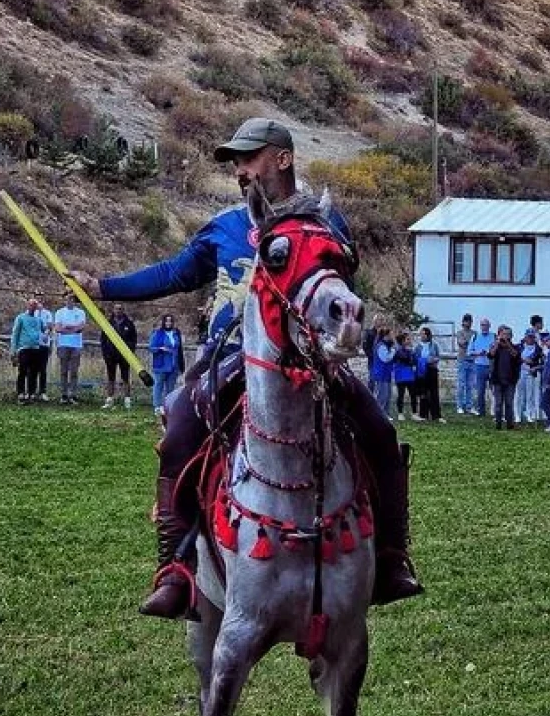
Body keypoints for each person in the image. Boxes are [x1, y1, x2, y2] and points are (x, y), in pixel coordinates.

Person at [81, 116, 421, 615]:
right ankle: (175, 569)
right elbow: (174, 274)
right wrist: (102, 287)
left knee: (380, 432)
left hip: (313, 366)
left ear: (283, 158)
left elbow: (340, 290)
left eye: (248, 158)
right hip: (230, 359)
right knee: (180, 430)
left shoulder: (326, 223)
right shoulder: (225, 226)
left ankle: (390, 557)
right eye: (236, 162)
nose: (240, 170)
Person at [101, 305, 137, 409]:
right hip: (111, 355)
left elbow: (134, 339)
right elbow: (103, 339)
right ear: (113, 310)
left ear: (123, 310)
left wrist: (129, 352)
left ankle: (127, 400)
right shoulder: (108, 323)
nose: (118, 311)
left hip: (124, 355)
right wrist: (105, 354)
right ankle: (109, 399)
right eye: (116, 309)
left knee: (125, 378)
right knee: (110, 377)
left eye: (120, 309)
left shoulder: (129, 324)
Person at [10, 297, 45, 403]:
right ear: (27, 306)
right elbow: (15, 334)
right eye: (31, 305)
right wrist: (13, 350)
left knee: (34, 372)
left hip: (36, 348)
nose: (33, 307)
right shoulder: (21, 318)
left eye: (35, 305)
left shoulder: (38, 319)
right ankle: (20, 393)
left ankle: (31, 393)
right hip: (24, 348)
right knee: (23, 371)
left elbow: (44, 330)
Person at [489, 324, 522, 430]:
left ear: (511, 336)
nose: (505, 336)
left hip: (510, 380)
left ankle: (509, 424)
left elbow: (515, 355)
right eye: (503, 334)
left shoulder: (515, 347)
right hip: (497, 380)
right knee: (498, 404)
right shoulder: (496, 347)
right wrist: (497, 343)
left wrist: (507, 344)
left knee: (509, 403)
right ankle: (498, 424)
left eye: (507, 334)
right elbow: (490, 355)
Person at [148, 313, 182, 414]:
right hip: (161, 364)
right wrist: (160, 349)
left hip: (173, 365)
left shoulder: (176, 333)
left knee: (170, 387)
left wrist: (181, 364)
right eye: (167, 321)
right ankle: (157, 406)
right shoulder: (157, 333)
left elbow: (179, 349)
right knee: (158, 385)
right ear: (163, 322)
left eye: (170, 321)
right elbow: (151, 347)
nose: (169, 323)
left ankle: (168, 406)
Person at [468, 319, 494, 418]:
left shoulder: (494, 336)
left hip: (492, 366)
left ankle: (494, 411)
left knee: (494, 391)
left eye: (486, 325)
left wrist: (490, 353)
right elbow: (469, 352)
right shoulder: (475, 336)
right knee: (480, 391)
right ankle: (481, 411)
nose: (484, 327)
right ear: (480, 326)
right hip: (479, 366)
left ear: (489, 326)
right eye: (482, 325)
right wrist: (478, 353)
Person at [516, 328, 543, 424]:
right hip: (520, 372)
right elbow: (515, 358)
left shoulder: (538, 349)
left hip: (531, 373)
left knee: (530, 395)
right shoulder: (519, 347)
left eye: (532, 337)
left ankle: (529, 415)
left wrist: (535, 367)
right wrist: (523, 360)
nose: (530, 339)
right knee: (519, 395)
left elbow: (542, 363)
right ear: (525, 337)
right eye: (529, 337)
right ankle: (517, 415)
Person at [415, 326, 441, 422]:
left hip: (432, 369)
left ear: (428, 335)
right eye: (421, 334)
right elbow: (416, 358)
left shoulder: (434, 345)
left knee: (434, 392)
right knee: (423, 393)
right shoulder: (418, 347)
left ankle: (436, 415)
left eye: (423, 334)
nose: (422, 336)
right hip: (422, 371)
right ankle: (423, 414)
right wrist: (423, 361)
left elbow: (438, 356)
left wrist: (433, 360)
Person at [369, 326, 396, 415]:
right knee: (382, 396)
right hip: (380, 374)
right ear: (386, 336)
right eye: (391, 334)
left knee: (388, 396)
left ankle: (386, 414)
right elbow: (386, 358)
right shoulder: (381, 346)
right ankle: (379, 415)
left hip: (386, 374)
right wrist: (393, 350)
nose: (392, 336)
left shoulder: (387, 345)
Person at [392, 329, 417, 420]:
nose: (409, 341)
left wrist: (412, 355)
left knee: (413, 394)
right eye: (407, 339)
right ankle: (400, 413)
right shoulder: (398, 351)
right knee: (401, 395)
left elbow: (414, 361)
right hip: (401, 376)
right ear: (402, 341)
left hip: (410, 376)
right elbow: (406, 360)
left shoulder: (410, 351)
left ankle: (414, 413)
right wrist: (411, 355)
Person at [33, 295, 54, 402]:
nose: (39, 301)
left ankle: (43, 392)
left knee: (42, 369)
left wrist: (46, 335)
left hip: (44, 344)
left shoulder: (48, 314)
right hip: (33, 344)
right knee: (32, 369)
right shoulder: (31, 313)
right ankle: (32, 391)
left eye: (40, 299)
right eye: (37, 299)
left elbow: (50, 326)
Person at [455, 313, 475, 415]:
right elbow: (462, 344)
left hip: (472, 361)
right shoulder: (459, 333)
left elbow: (475, 345)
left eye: (470, 321)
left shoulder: (475, 333)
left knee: (470, 385)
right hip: (462, 361)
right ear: (463, 322)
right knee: (461, 384)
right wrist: (470, 342)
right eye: (466, 321)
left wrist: (469, 343)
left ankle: (469, 406)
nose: (468, 323)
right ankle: (459, 406)